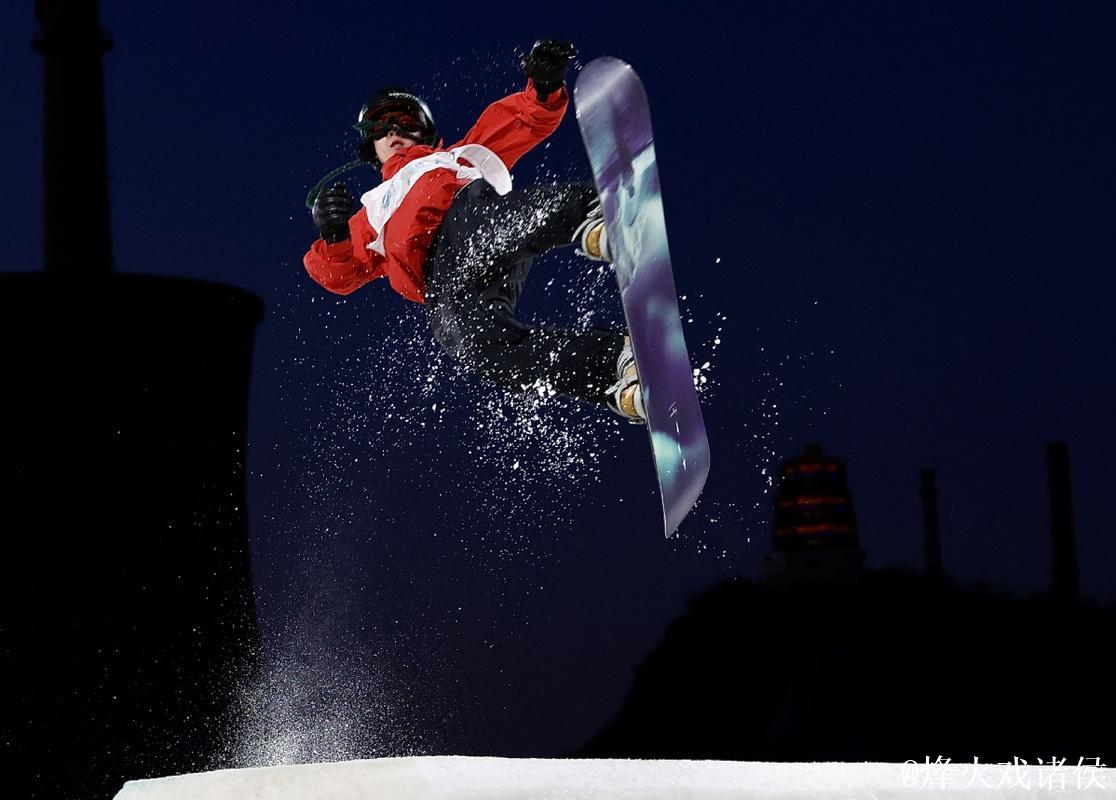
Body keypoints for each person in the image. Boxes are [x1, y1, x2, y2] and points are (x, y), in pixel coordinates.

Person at [303, 40, 644, 423]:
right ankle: (614, 366)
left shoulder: (457, 155)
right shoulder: (368, 216)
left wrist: (544, 87)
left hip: (472, 221)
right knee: (479, 348)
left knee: (483, 228)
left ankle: (592, 215)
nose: (395, 129)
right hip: (443, 285)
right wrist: (333, 236)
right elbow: (341, 275)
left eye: (407, 121)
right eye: (382, 125)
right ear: (370, 144)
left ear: (427, 132)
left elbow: (522, 121)